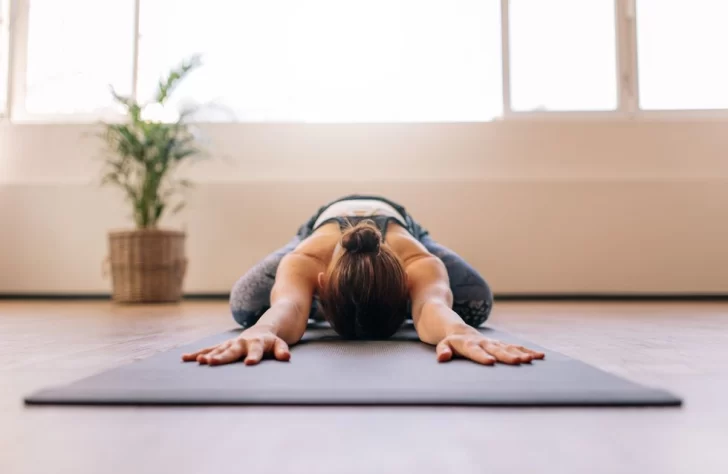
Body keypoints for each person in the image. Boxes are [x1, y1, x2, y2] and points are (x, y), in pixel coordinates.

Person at [182, 194, 544, 366]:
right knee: (247, 307)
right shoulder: (307, 259)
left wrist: (459, 331)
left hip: (402, 224)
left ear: (407, 285)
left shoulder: (417, 259)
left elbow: (431, 306)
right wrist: (263, 329)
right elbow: (288, 307)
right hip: (321, 226)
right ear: (319, 285)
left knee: (475, 304)